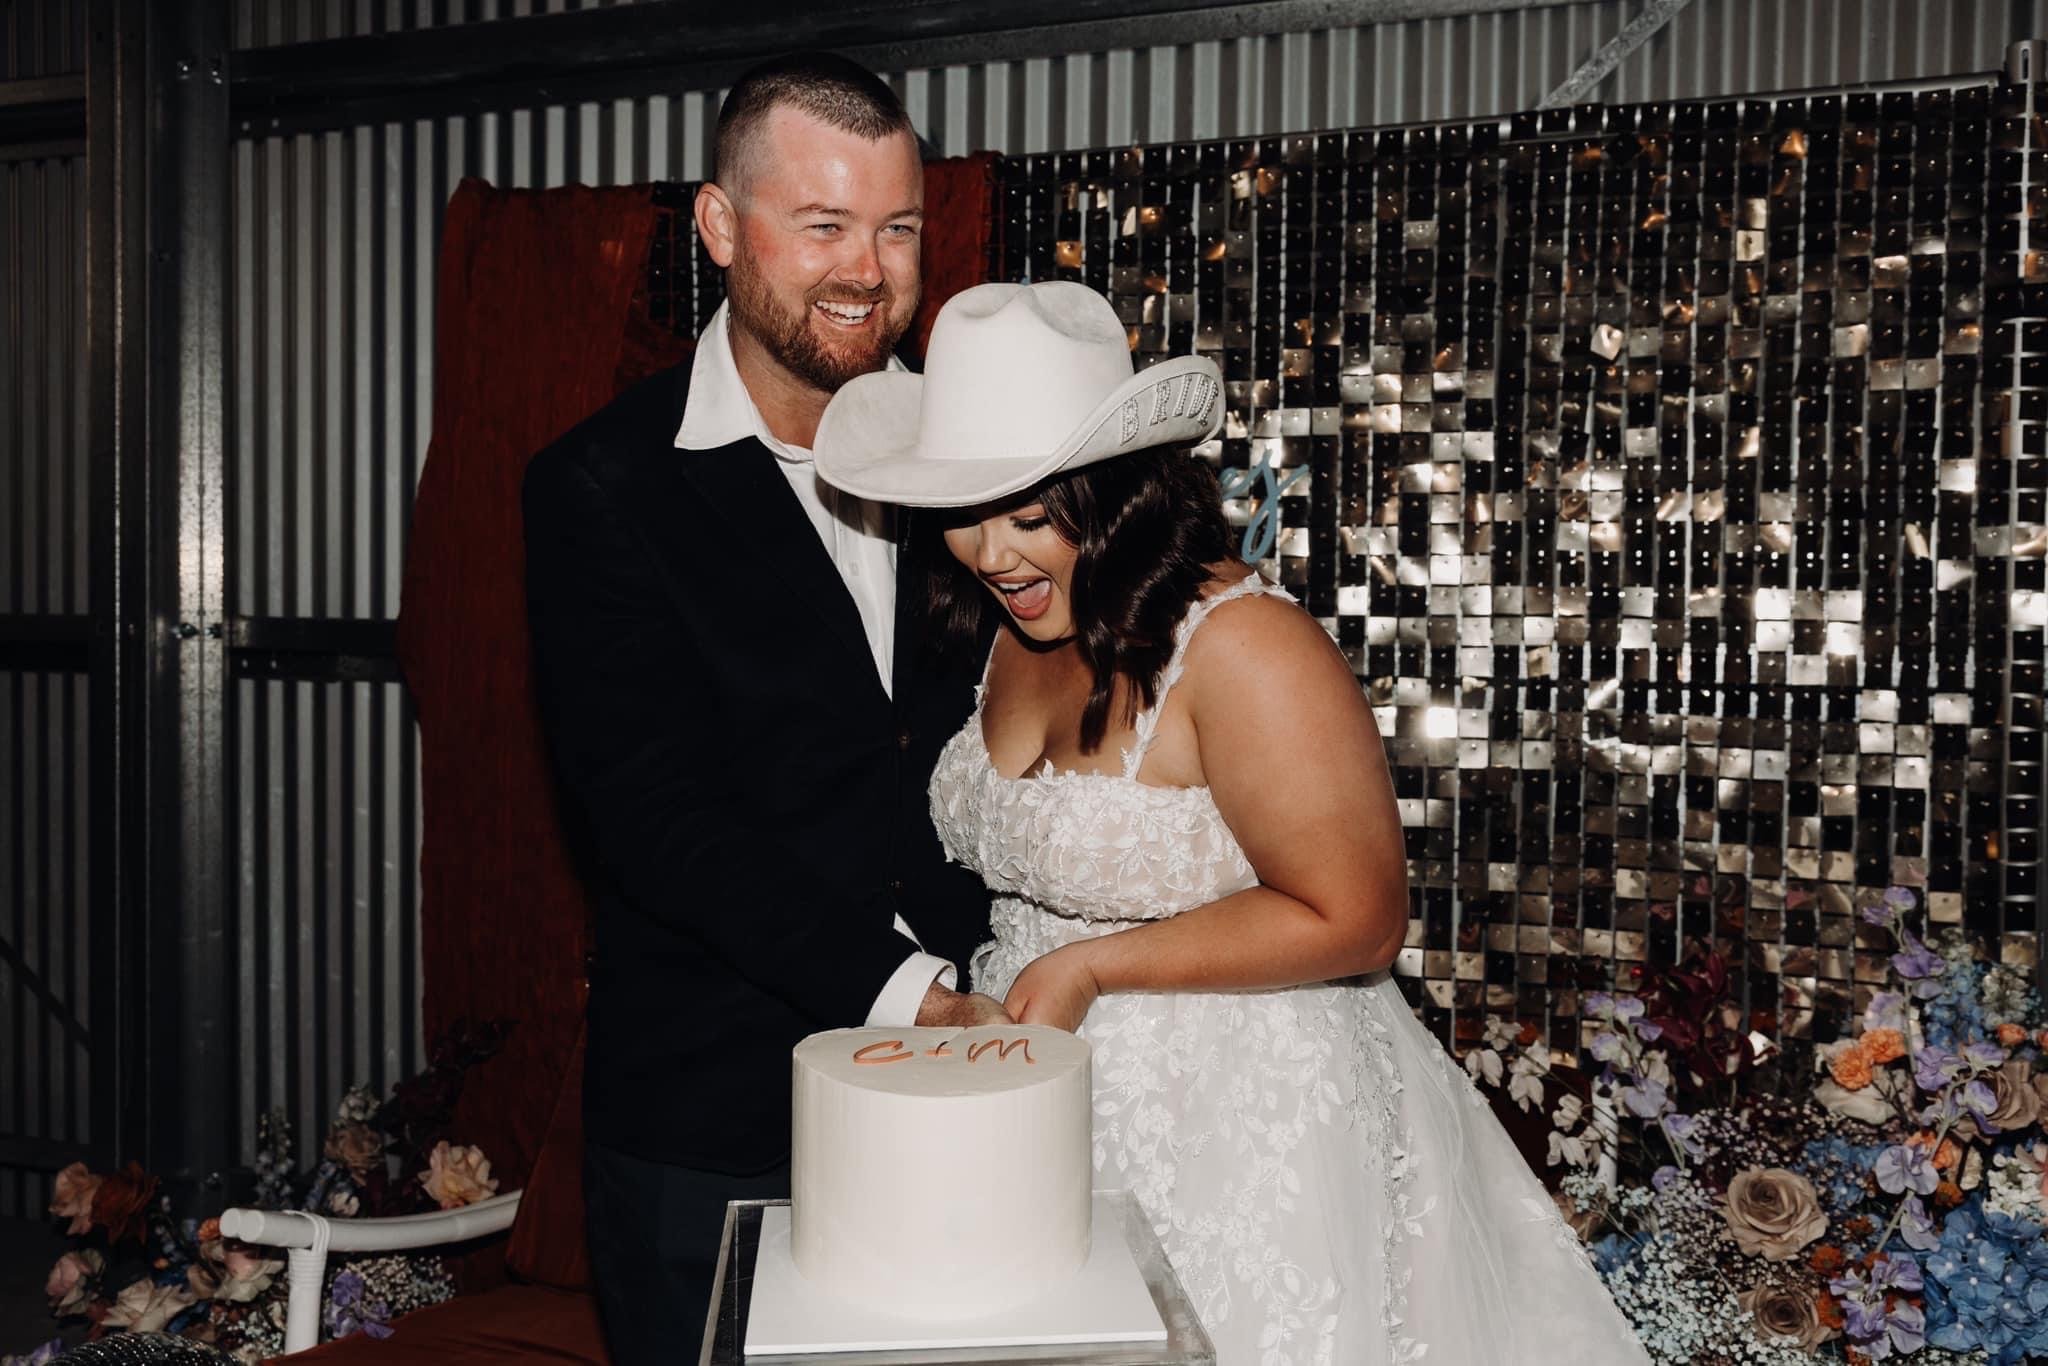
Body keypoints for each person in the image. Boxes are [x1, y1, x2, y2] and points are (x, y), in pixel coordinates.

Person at [814, 280, 1651, 1365]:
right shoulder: (998, 631)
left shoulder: (1243, 645)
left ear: (1119, 497)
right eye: (964, 513)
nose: (989, 554)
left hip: (1238, 1118)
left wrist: (1091, 968)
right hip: (1030, 1096)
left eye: (1027, 515)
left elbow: (1355, 916)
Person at [522, 54, 1005, 1364]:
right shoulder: (602, 488)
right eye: (824, 224)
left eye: (897, 228)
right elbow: (657, 821)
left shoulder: (975, 460)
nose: (869, 269)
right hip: (715, 1125)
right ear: (722, 228)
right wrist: (919, 997)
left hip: (972, 1105)